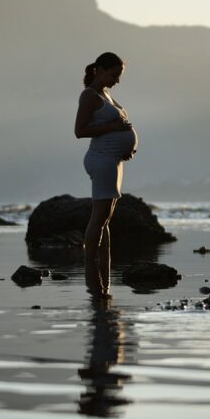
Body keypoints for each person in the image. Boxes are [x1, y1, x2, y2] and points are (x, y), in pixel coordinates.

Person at [74, 52, 138, 297]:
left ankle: (104, 265)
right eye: (114, 75)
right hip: (101, 160)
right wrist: (114, 129)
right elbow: (80, 131)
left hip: (113, 160)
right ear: (99, 70)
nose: (117, 80)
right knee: (99, 214)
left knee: (107, 217)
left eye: (119, 76)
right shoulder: (89, 95)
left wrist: (127, 147)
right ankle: (90, 265)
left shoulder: (106, 94)